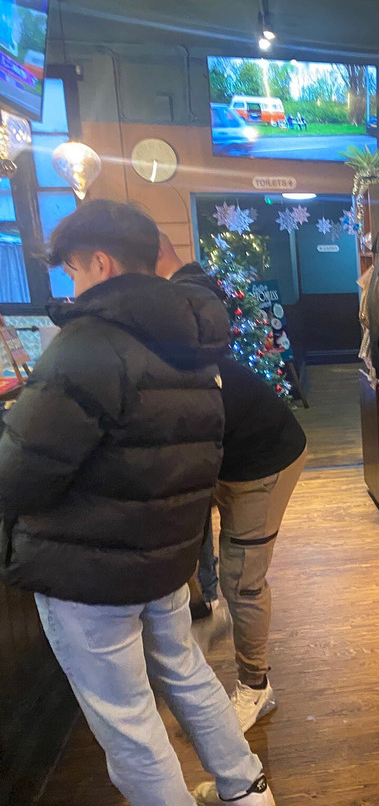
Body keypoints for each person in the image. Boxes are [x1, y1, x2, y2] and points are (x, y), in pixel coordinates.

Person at [0, 201, 274, 806]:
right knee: (186, 671)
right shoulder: (192, 340)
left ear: (100, 263)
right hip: (166, 552)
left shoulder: (86, 344)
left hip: (87, 567)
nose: (73, 285)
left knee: (126, 717)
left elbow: (19, 474)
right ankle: (249, 793)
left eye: (74, 270)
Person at [158, 231, 308, 733]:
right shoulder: (167, 337)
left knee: (242, 581)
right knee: (208, 554)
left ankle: (256, 687)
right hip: (229, 453)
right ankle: (211, 614)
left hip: (265, 459)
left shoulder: (179, 334)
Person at [157, 232, 228, 624]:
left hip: (188, 435)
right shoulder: (198, 293)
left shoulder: (180, 299)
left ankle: (207, 599)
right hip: (196, 435)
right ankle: (208, 596)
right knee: (198, 520)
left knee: (196, 521)